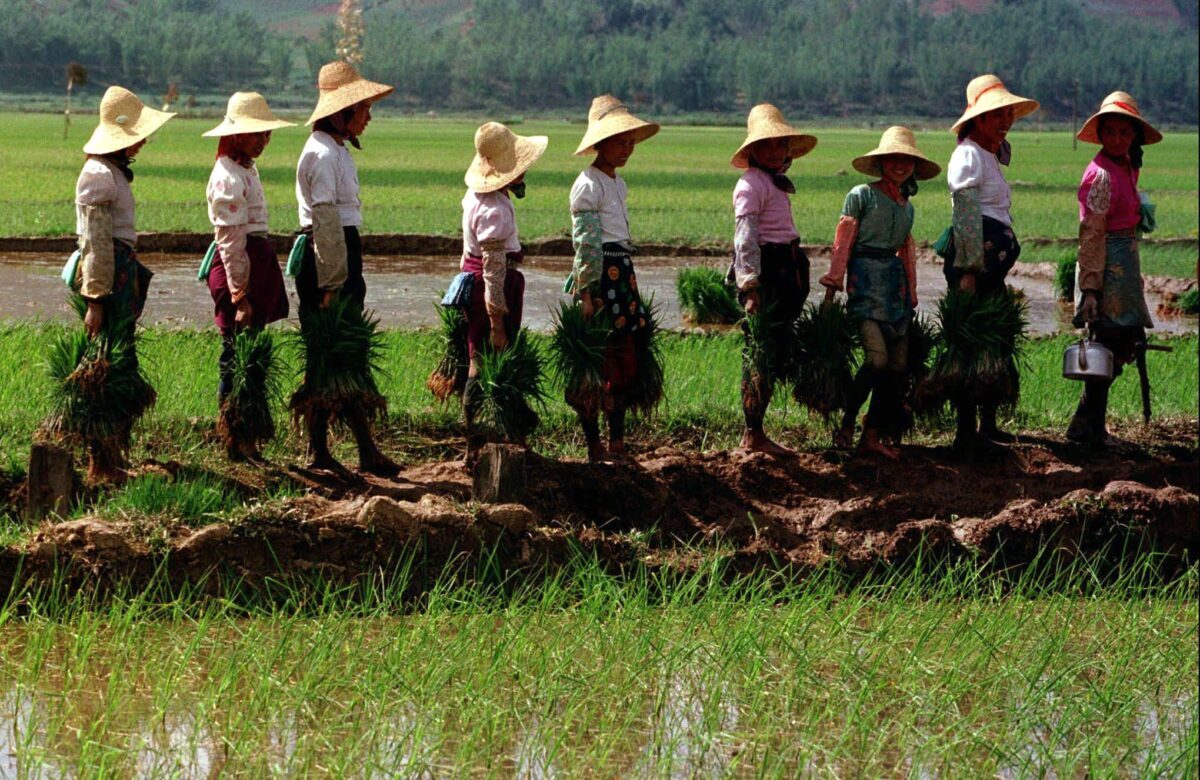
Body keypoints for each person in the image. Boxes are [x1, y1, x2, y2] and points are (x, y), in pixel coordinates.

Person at [292, 61, 400, 478]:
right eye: (363, 108)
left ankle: (360, 450)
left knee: (346, 352)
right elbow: (324, 221)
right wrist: (333, 283)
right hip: (327, 256)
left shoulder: (334, 149)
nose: (369, 115)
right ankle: (322, 451)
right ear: (340, 113)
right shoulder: (321, 154)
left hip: (339, 251)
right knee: (328, 352)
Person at [70, 86, 175, 482]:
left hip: (118, 272)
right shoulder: (98, 174)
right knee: (107, 370)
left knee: (119, 364)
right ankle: (102, 464)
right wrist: (96, 300)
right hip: (107, 280)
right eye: (138, 135)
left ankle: (112, 459)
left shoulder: (110, 172)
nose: (143, 142)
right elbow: (95, 243)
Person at [820, 127, 940, 459]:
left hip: (893, 289)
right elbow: (843, 242)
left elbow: (906, 250)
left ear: (914, 166)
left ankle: (871, 434)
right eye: (894, 159)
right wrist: (833, 286)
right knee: (877, 360)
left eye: (907, 160)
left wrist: (911, 293)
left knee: (898, 368)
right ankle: (846, 422)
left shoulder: (907, 208)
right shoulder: (861, 195)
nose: (900, 165)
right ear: (882, 162)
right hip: (864, 285)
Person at [945, 74, 1038, 452]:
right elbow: (966, 213)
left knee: (993, 342)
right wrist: (969, 269)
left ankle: (988, 424)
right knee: (971, 344)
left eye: (1008, 114)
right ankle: (967, 432)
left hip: (990, 269)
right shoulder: (968, 154)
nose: (1004, 121)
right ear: (977, 119)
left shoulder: (987, 154)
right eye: (996, 115)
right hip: (975, 268)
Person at [565, 95, 660, 462]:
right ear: (600, 143)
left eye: (630, 142)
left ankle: (617, 441)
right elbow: (587, 245)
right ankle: (594, 445)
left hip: (622, 276)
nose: (627, 149)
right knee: (595, 364)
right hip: (602, 279)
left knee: (622, 361)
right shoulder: (588, 185)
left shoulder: (617, 184)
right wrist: (587, 293)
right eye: (620, 141)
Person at [201, 92, 293, 462]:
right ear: (237, 135)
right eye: (257, 133)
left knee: (249, 357)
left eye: (267, 133)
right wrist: (240, 296)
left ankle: (247, 439)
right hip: (241, 268)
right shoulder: (227, 176)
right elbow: (230, 243)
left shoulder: (244, 169)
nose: (264, 140)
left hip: (254, 264)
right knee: (236, 356)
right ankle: (234, 439)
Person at [1067, 92, 1161, 446]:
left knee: (1120, 344)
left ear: (1134, 135)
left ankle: (1088, 425)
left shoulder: (1125, 167)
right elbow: (1091, 233)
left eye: (1126, 132)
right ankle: (1087, 428)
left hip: (1124, 264)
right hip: (1106, 268)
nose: (1119, 139)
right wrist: (1091, 288)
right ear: (1102, 134)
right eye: (1112, 132)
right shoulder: (1101, 175)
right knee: (1105, 345)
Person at [729, 103, 817, 455]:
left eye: (780, 144)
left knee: (774, 350)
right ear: (752, 150)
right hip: (766, 273)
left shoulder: (772, 182)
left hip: (785, 270)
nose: (774, 150)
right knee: (759, 353)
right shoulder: (751, 184)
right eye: (766, 145)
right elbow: (745, 238)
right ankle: (753, 434)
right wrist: (750, 286)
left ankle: (757, 432)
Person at [458, 121, 547, 462]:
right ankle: (487, 442)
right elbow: (493, 267)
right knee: (487, 360)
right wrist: (496, 317)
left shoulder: (475, 197)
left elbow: (469, 254)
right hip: (490, 288)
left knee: (477, 359)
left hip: (475, 280)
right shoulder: (495, 209)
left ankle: (478, 444)